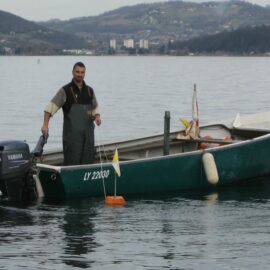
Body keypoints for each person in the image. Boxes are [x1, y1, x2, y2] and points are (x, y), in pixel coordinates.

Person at [41, 62, 101, 165]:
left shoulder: (90, 91)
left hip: (88, 138)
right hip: (72, 139)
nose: (80, 74)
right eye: (77, 72)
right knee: (72, 162)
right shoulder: (65, 91)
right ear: (72, 72)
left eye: (82, 72)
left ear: (85, 73)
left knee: (88, 161)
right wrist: (45, 125)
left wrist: (97, 117)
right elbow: (49, 109)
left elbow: (95, 109)